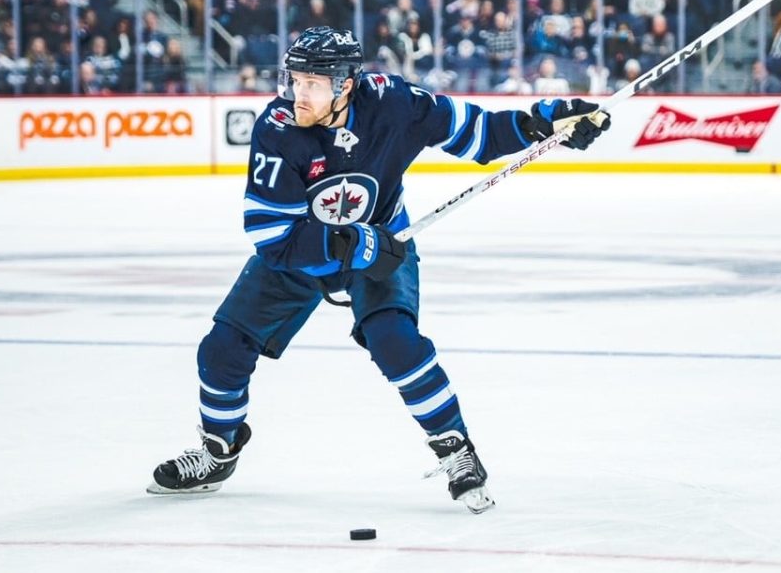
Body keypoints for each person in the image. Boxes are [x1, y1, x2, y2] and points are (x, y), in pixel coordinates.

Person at [147, 27, 611, 513]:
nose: (298, 94)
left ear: (345, 84)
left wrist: (545, 122)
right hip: (305, 251)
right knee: (221, 349)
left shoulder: (394, 103)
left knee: (396, 342)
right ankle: (217, 451)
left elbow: (477, 132)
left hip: (384, 243)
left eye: (312, 84)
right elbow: (271, 234)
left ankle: (456, 448)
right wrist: (352, 243)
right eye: (295, 80)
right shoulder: (278, 128)